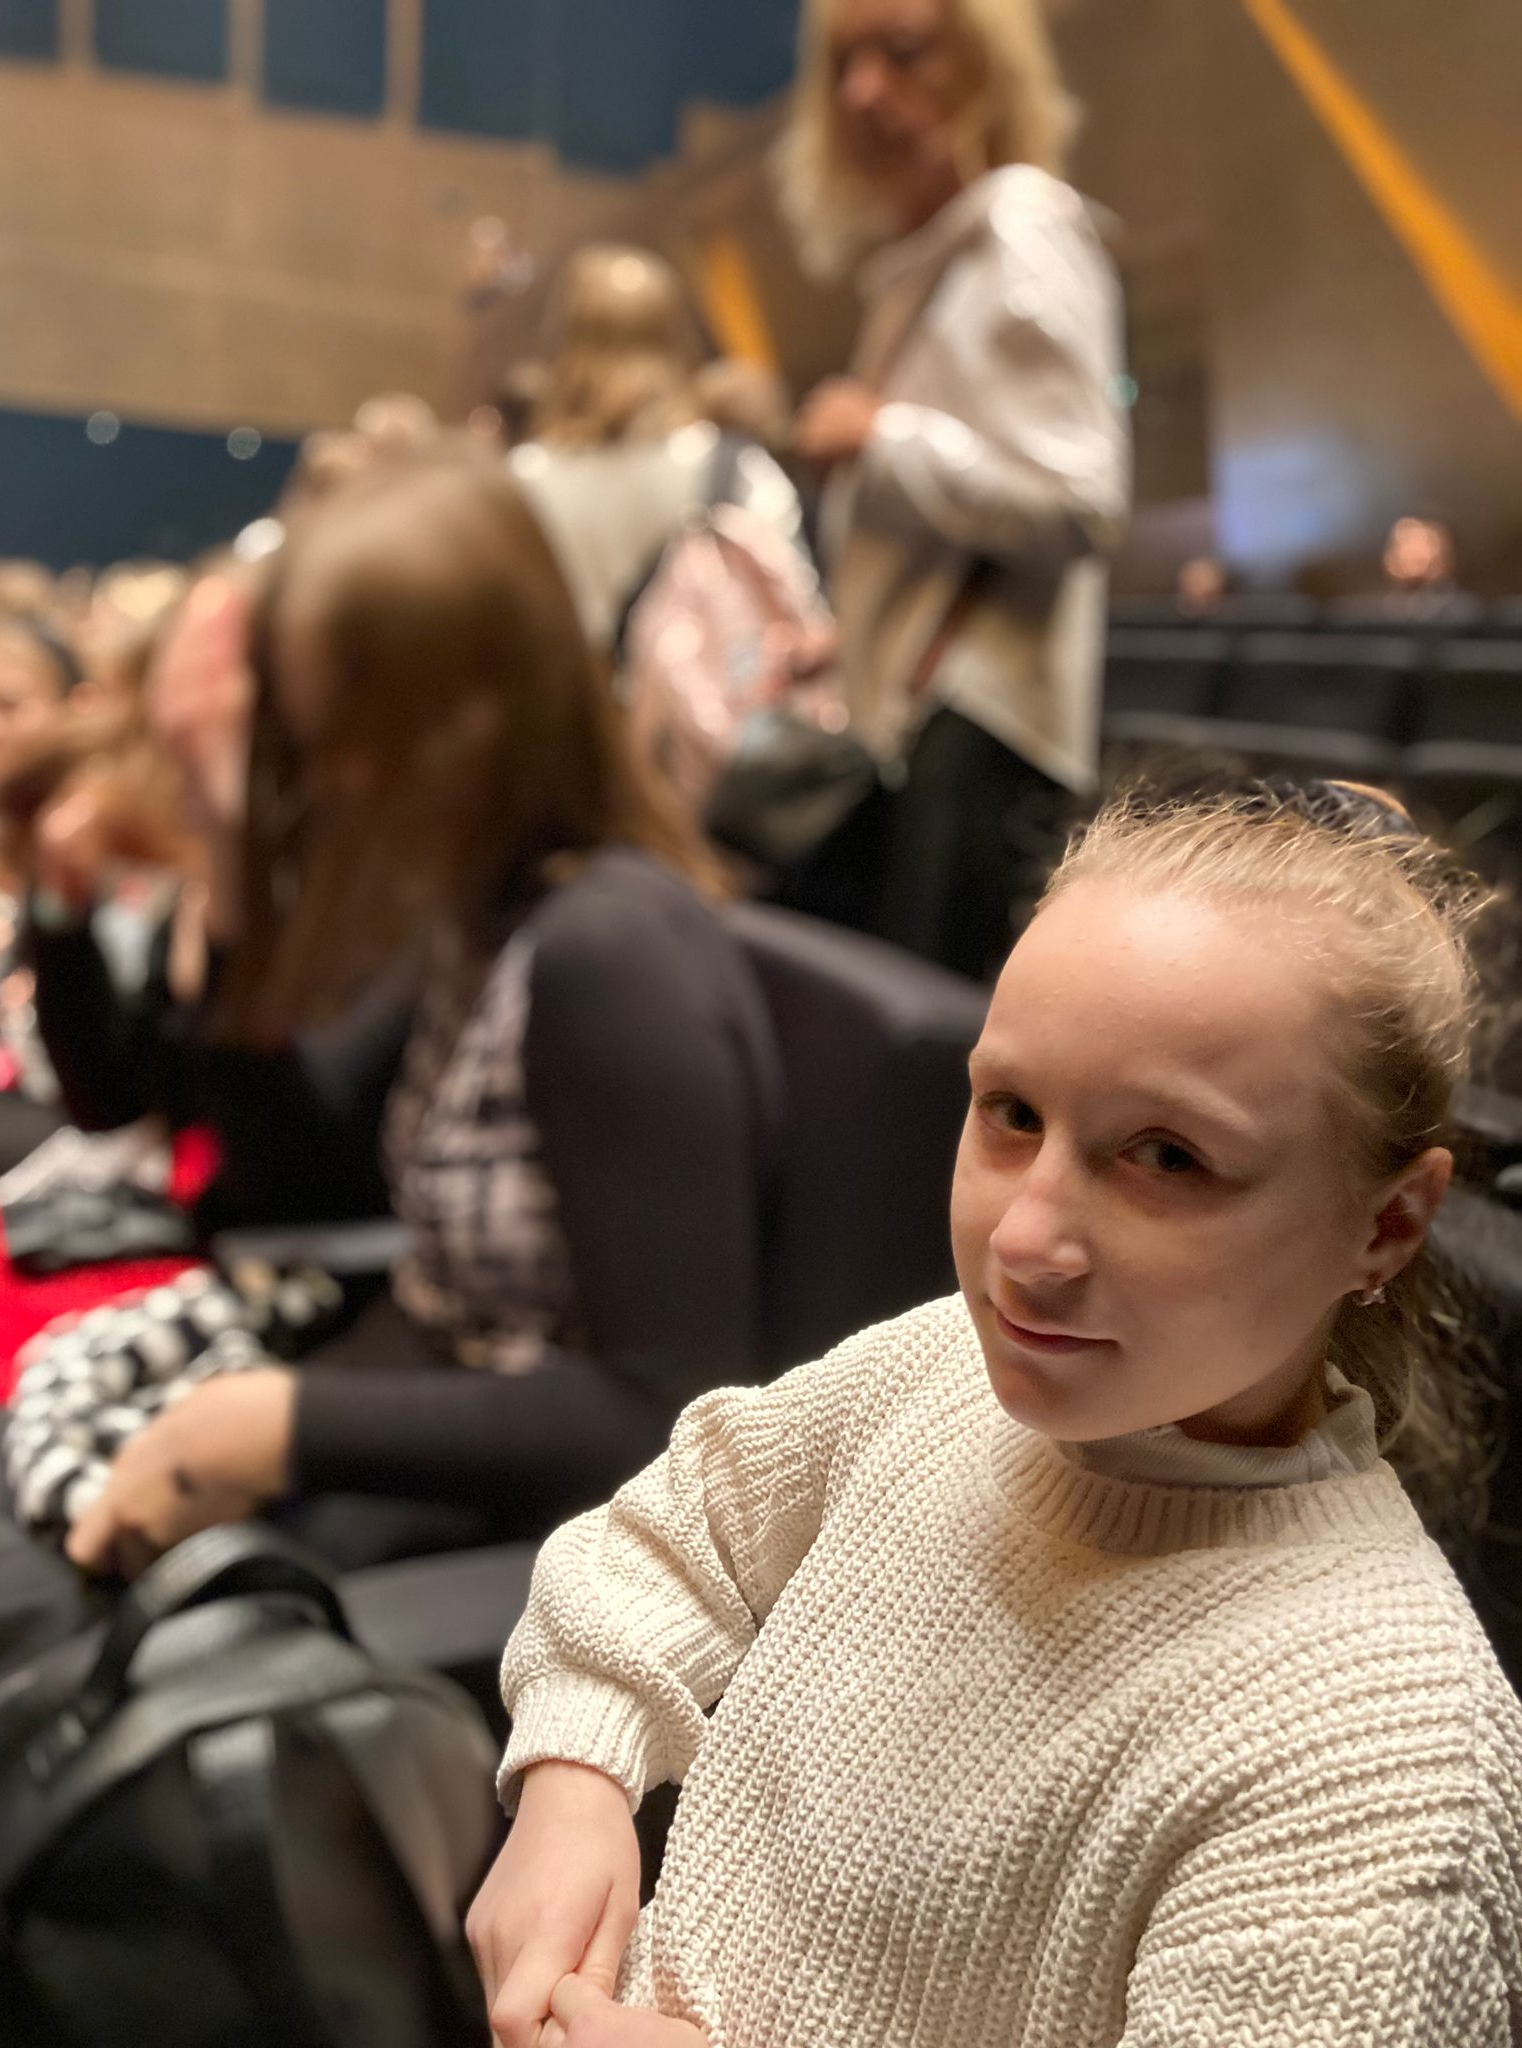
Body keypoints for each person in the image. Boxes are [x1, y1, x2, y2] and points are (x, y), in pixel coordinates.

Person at [469, 785, 1522, 2048]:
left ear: (1388, 1224)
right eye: (1014, 1114)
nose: (1023, 1239)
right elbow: (675, 1531)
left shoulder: (1384, 1760)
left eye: (1167, 1156)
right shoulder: (941, 1373)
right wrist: (579, 1773)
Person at [57, 445, 780, 1579]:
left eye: (343, 741)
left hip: (528, 1548)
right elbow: (295, 1165)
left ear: (467, 721)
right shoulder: (485, 908)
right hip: (420, 1411)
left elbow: (671, 1415)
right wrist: (227, 839)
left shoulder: (606, 952)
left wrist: (282, 1426)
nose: (328, 781)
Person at [785, 0, 1130, 980]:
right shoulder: (941, 254)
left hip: (973, 738)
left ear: (986, 63)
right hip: (922, 728)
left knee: (924, 1044)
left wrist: (882, 437)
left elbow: (1080, 502)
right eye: (845, 64)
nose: (863, 93)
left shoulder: (1020, 230)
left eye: (904, 53)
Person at [511, 246, 805, 657]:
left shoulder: (522, 479)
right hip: (705, 693)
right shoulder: (731, 466)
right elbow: (793, 596)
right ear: (676, 336)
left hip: (575, 692)